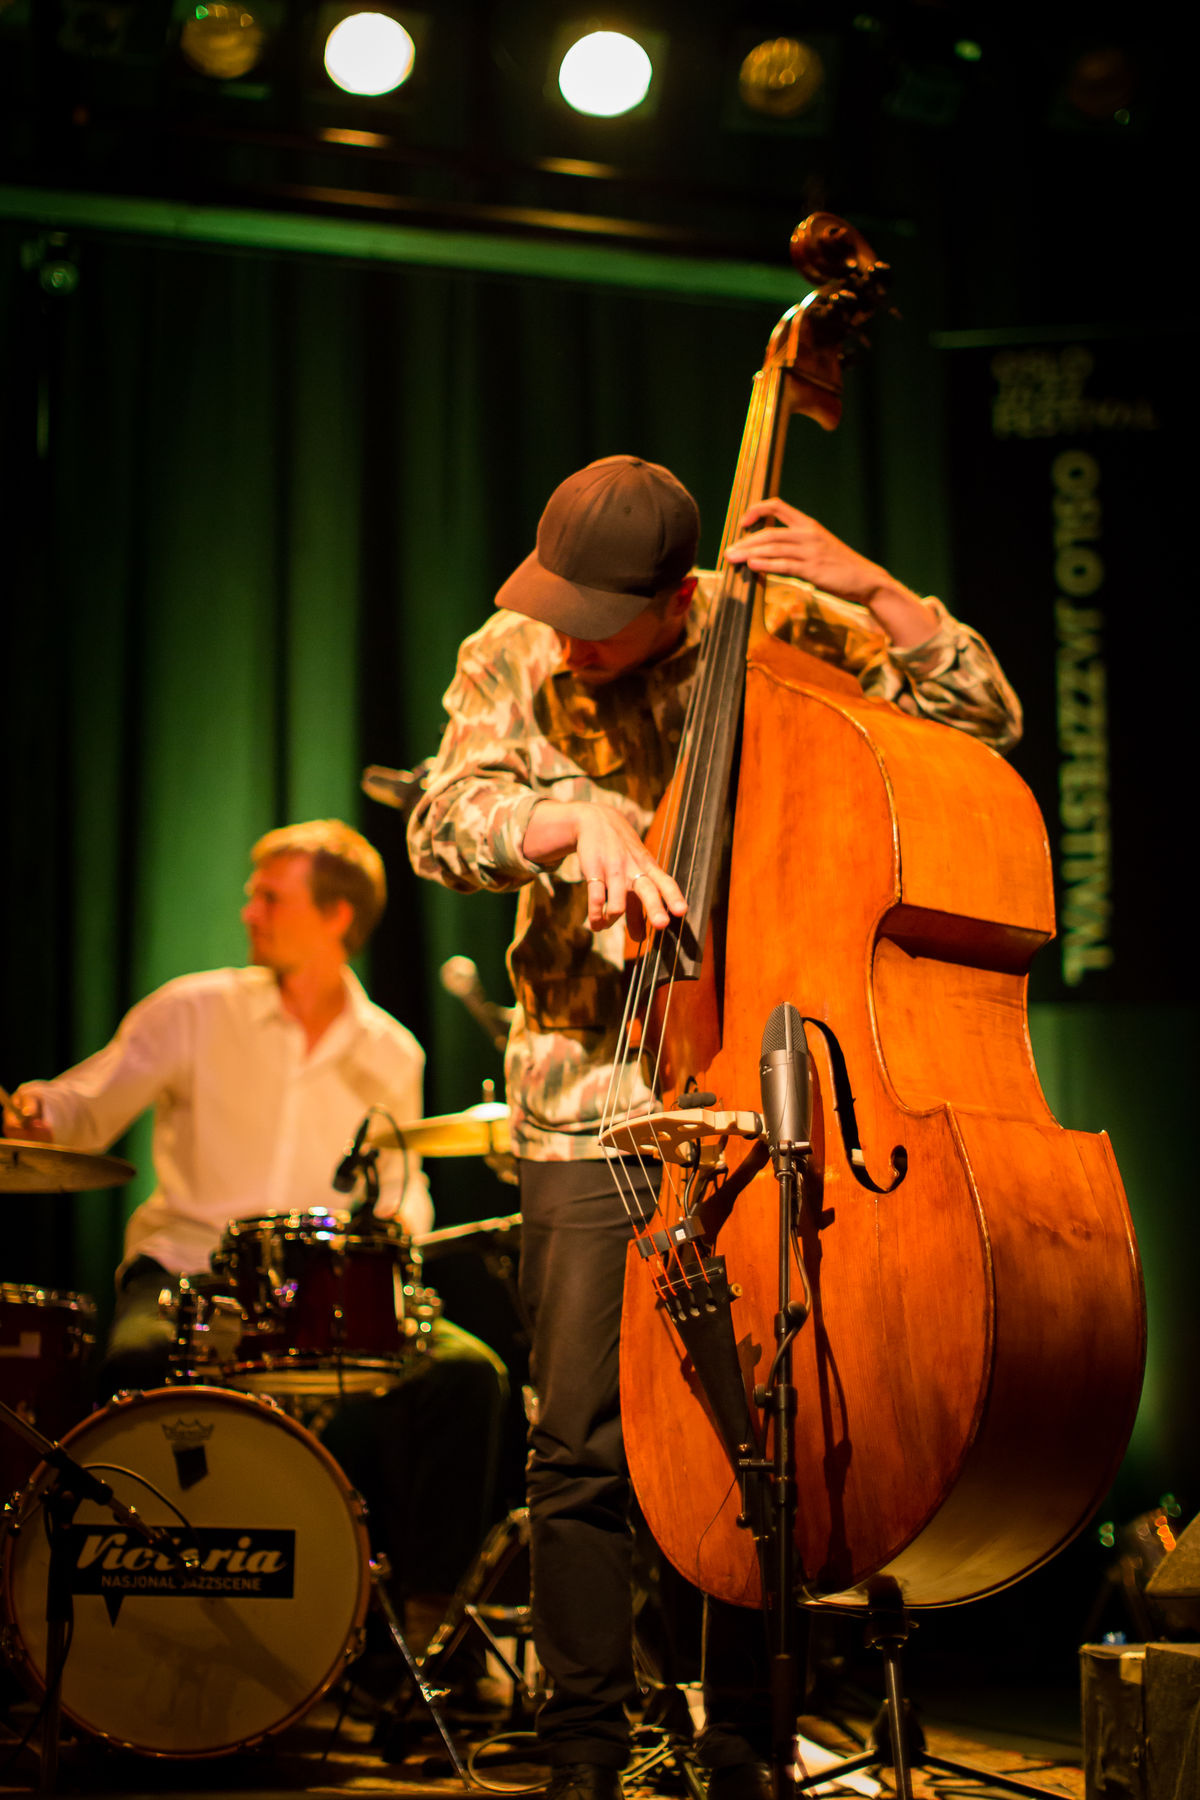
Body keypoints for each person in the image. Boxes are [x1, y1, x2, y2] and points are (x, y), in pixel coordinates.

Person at [405, 455, 1023, 1800]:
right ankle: (584, 1751)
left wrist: (883, 596)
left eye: (600, 619)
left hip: (760, 1080)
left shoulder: (784, 629)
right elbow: (442, 821)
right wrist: (562, 816)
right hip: (585, 1092)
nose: (570, 638)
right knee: (578, 1443)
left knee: (754, 1432)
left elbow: (980, 723)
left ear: (678, 597)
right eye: (557, 606)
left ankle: (746, 1739)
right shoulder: (514, 650)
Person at [2, 818, 508, 1647]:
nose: (249, 912)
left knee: (468, 1378)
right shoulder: (193, 1010)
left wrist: (390, 1243)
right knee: (135, 1364)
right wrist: (37, 1113)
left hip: (322, 1296)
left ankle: (428, 1636)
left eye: (270, 898)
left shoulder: (392, 1051)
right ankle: (118, 1628)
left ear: (336, 916)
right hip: (187, 1271)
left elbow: (402, 1189)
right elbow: (85, 1106)